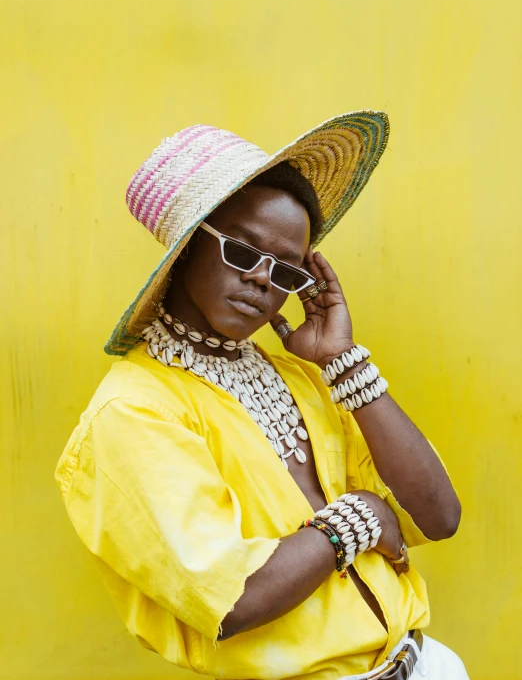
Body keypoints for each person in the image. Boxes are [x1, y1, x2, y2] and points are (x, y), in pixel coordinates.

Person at [55, 112, 469, 680]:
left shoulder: (299, 376)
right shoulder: (134, 411)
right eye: (243, 253)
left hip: (426, 664)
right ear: (184, 248)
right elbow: (237, 597)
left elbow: (438, 514)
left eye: (288, 272)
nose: (263, 282)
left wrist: (342, 362)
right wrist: (363, 514)